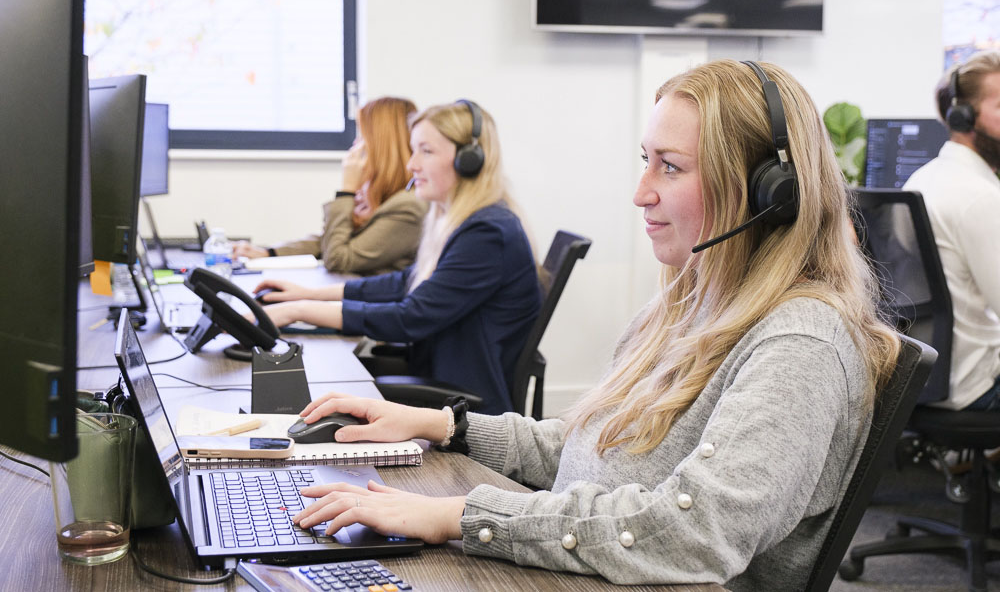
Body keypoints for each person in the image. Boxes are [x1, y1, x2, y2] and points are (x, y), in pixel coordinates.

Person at [282, 61, 901, 591]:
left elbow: (696, 532)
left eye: (670, 167)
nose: (640, 192)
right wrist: (446, 426)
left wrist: (459, 514)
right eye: (645, 162)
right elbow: (591, 453)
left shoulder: (801, 344)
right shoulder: (688, 306)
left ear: (770, 191)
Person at [254, 100, 541, 415]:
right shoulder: (460, 219)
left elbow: (411, 318)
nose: (412, 164)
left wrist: (300, 310)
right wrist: (311, 295)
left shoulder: (487, 233)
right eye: (413, 150)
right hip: (439, 376)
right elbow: (408, 281)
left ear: (469, 160)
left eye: (426, 151)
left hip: (464, 406)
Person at [903, 51, 1000, 412]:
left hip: (928, 378)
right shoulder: (980, 198)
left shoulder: (923, 178)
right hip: (977, 385)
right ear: (964, 118)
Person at [232, 96, 427, 275]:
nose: (355, 144)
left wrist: (346, 191)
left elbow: (338, 258)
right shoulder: (387, 196)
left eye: (362, 137)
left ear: (381, 145)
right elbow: (328, 240)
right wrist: (269, 253)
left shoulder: (408, 206)